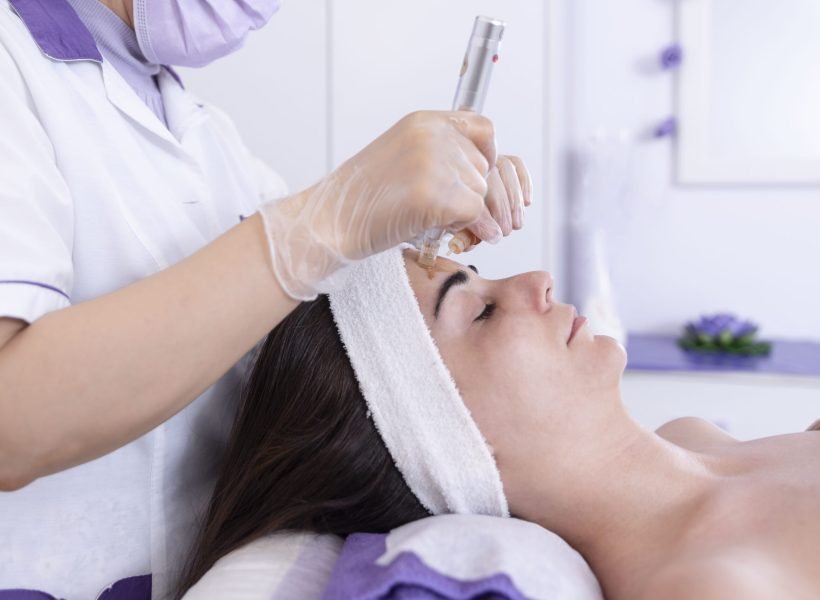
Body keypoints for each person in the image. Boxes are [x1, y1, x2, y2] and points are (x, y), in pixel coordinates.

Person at [0, 0, 532, 597]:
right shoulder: (11, 64)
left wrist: (400, 226)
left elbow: (324, 330)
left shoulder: (209, 139)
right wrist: (326, 222)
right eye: (480, 306)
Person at [181, 248, 820, 599]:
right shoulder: (710, 585)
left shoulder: (694, 434)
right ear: (446, 439)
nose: (537, 281)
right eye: (480, 312)